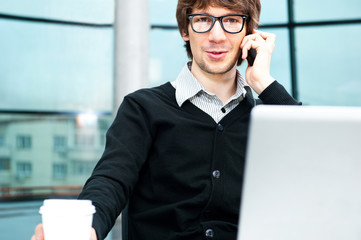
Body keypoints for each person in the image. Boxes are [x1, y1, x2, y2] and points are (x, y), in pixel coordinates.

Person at [32, 0, 300, 239]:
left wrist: (264, 83)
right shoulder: (143, 108)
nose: (216, 36)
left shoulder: (269, 119)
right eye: (203, 20)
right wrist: (87, 228)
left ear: (249, 32)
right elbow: (111, 180)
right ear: (185, 29)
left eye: (231, 20)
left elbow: (315, 162)